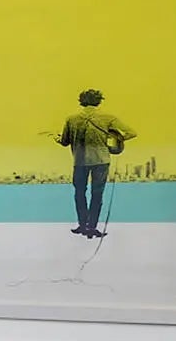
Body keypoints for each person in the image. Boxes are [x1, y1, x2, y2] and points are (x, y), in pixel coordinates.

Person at [56, 89, 134, 239]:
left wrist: (57, 139)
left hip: (80, 161)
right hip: (101, 161)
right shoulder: (108, 118)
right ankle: (92, 228)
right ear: (98, 101)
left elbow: (65, 142)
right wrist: (115, 139)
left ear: (81, 101)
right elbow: (131, 133)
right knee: (97, 195)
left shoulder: (71, 119)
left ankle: (82, 225)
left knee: (79, 193)